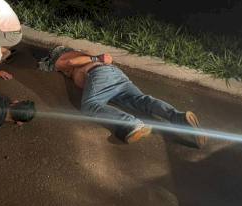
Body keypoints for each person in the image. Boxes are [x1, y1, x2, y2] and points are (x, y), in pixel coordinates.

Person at [38, 46, 207, 147]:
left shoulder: (69, 55)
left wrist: (93, 58)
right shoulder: (83, 56)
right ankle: (179, 117)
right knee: (142, 101)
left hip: (99, 74)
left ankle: (131, 123)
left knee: (89, 105)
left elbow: (64, 63)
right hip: (116, 76)